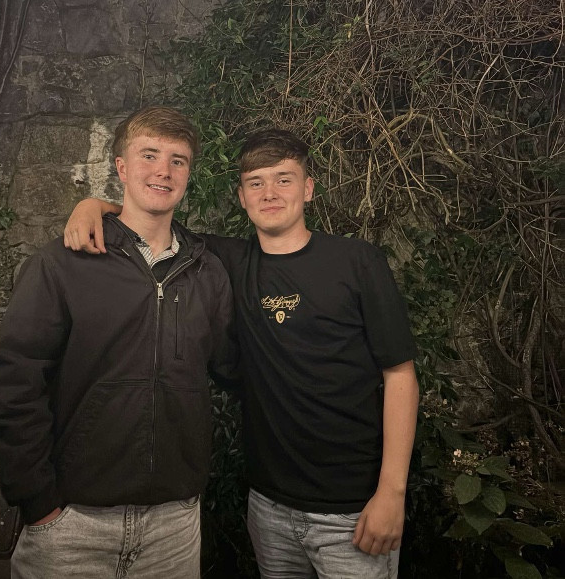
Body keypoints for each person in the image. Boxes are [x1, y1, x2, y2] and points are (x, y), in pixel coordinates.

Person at [64, 128, 420, 579]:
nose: (270, 193)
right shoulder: (226, 260)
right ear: (242, 197)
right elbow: (152, 218)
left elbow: (400, 375)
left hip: (353, 509)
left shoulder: (357, 261)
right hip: (269, 507)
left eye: (284, 179)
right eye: (256, 183)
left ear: (308, 189)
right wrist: (94, 205)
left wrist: (391, 492)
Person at [0, 106, 237, 579]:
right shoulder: (64, 262)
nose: (163, 171)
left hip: (174, 527)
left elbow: (235, 368)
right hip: (72, 526)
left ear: (189, 174)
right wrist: (38, 503)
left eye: (178, 160)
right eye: (149, 155)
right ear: (121, 167)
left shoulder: (207, 272)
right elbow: (13, 381)